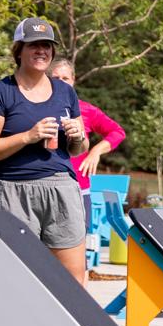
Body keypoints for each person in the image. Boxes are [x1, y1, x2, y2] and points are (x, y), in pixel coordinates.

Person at [0, 18, 89, 283]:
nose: (41, 51)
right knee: (12, 279)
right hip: (13, 190)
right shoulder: (0, 92)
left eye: (47, 45)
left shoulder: (65, 92)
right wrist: (27, 136)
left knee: (72, 280)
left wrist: (78, 137)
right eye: (34, 45)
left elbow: (80, 148)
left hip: (62, 190)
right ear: (19, 50)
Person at [49, 57, 129, 257]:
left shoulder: (85, 110)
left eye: (65, 78)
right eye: (55, 77)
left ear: (73, 80)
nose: (60, 82)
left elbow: (117, 132)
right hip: (45, 188)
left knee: (77, 255)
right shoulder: (36, 107)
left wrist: (95, 152)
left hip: (78, 191)